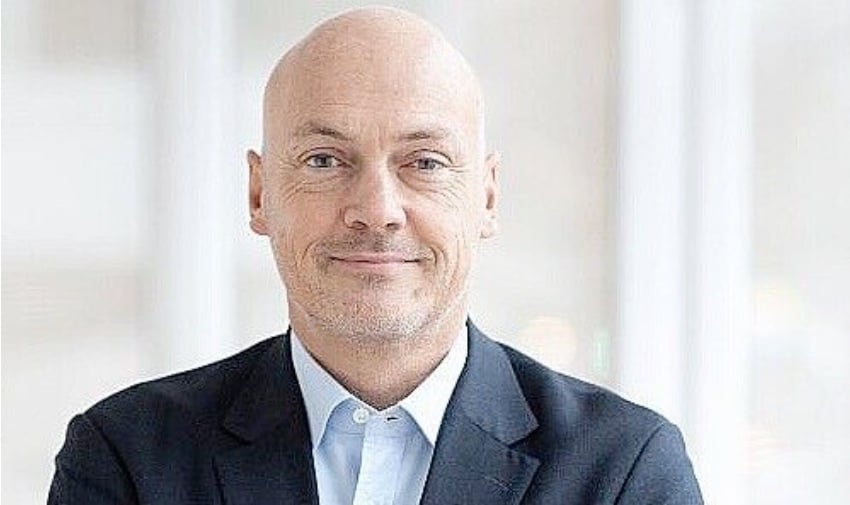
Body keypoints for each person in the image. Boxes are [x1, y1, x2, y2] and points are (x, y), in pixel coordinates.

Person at [49, 7, 702, 505]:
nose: (377, 209)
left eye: (425, 162)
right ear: (259, 194)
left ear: (486, 196)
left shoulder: (623, 470)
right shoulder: (127, 458)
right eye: (325, 160)